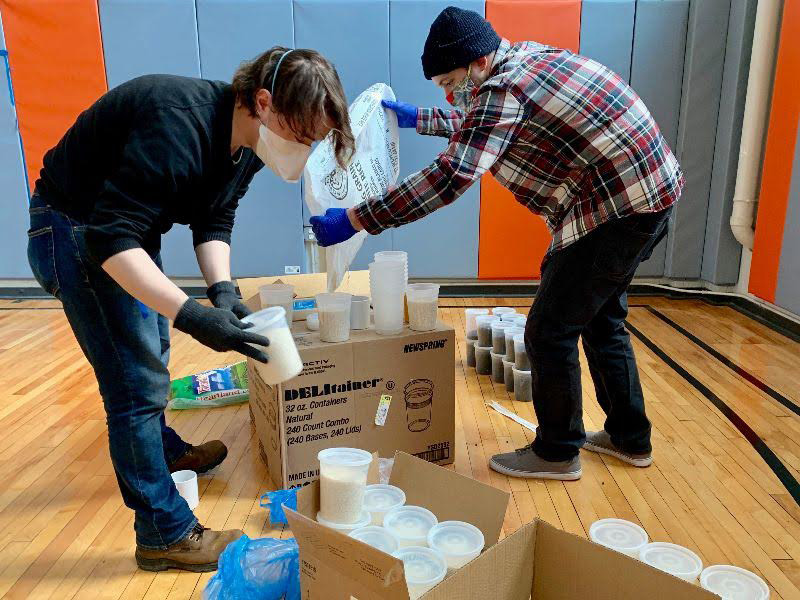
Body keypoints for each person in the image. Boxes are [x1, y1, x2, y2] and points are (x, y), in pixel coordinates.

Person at [310, 8, 683, 481]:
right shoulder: (519, 62)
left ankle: (557, 452)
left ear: (478, 62)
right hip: (646, 193)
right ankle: (630, 438)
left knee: (549, 330)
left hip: (619, 207)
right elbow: (484, 124)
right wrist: (420, 119)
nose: (448, 94)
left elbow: (450, 177)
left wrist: (356, 219)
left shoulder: (504, 90)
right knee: (601, 319)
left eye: (450, 82)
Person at [27, 47, 353, 571]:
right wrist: (194, 317)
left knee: (151, 352)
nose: (305, 149)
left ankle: (164, 452)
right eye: (303, 135)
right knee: (134, 385)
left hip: (123, 230)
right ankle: (164, 534)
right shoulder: (178, 125)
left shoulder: (249, 143)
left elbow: (215, 216)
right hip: (76, 230)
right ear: (263, 102)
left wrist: (222, 292)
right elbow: (109, 237)